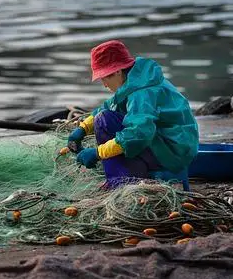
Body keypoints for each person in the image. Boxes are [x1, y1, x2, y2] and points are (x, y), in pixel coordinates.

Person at [68, 40, 199, 188]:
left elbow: (138, 134)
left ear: (117, 71)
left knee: (103, 121)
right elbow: (111, 106)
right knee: (105, 116)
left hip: (172, 153)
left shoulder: (142, 93)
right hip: (172, 144)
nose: (104, 84)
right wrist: (83, 128)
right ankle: (125, 175)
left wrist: (98, 153)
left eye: (105, 77)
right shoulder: (139, 80)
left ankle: (121, 183)